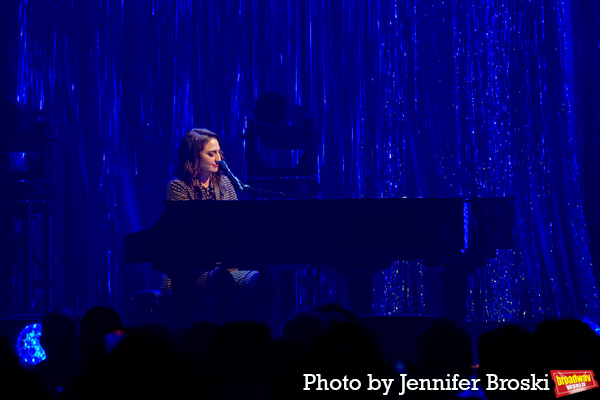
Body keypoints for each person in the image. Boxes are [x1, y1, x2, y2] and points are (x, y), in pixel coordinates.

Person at [161, 128, 262, 325]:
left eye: (218, 152)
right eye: (211, 153)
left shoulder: (225, 183)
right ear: (193, 156)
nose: (218, 158)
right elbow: (187, 232)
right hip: (188, 272)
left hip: (228, 267)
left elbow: (236, 225)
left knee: (263, 281)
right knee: (220, 277)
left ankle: (256, 339)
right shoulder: (178, 187)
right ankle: (219, 337)